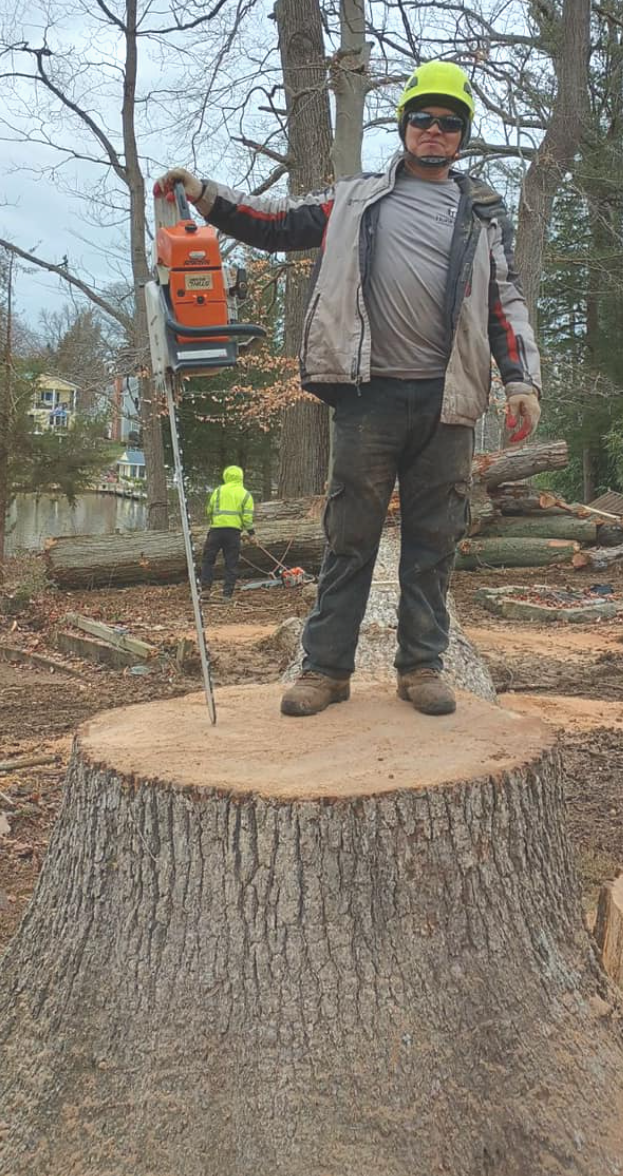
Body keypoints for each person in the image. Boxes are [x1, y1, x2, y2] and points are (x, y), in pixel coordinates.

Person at [157, 59, 542, 716]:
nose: (434, 130)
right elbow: (277, 221)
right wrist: (206, 194)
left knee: (434, 540)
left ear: (462, 134)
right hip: (368, 397)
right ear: (404, 124)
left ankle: (422, 667)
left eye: (449, 122)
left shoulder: (481, 214)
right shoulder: (355, 198)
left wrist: (521, 381)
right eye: (423, 118)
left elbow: (503, 301)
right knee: (349, 536)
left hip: (448, 401)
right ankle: (326, 670)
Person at [201, 465, 255, 601]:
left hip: (215, 531)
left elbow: (209, 510)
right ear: (241, 477)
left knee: (208, 560)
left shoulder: (218, 491)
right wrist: (251, 533)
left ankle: (205, 589)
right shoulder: (245, 494)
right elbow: (247, 518)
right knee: (231, 563)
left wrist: (215, 521)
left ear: (225, 476)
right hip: (233, 533)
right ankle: (227, 594)